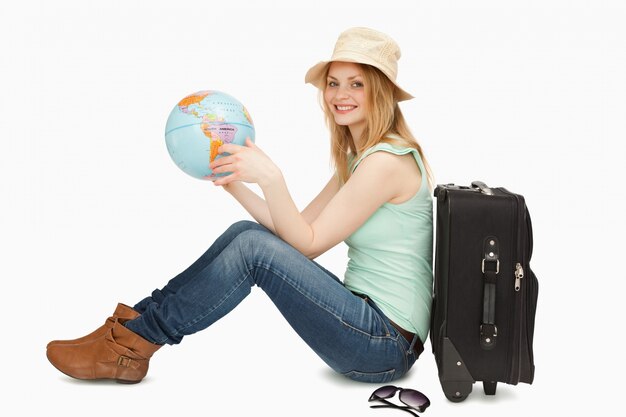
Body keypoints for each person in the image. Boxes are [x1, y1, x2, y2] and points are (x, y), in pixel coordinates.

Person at [46, 27, 434, 385]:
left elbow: (308, 244)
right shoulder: (360, 158)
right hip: (362, 320)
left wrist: (272, 178)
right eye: (333, 83)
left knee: (253, 248)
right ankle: (133, 325)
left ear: (380, 91)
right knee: (245, 234)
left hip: (384, 344)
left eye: (356, 84)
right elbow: (297, 227)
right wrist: (235, 186)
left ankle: (132, 348)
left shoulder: (385, 163)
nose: (339, 94)